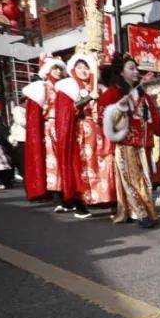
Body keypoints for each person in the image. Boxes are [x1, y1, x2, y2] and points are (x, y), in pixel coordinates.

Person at [100, 56, 160, 228]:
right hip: (126, 143)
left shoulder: (144, 95)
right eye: (131, 68)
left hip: (144, 144)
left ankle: (141, 211)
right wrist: (118, 107)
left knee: (147, 180)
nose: (136, 72)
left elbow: (153, 119)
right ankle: (141, 214)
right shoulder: (113, 92)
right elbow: (101, 117)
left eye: (136, 69)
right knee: (132, 179)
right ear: (121, 71)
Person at [54, 51, 105, 218]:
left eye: (86, 67)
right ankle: (80, 202)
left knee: (99, 165)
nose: (83, 70)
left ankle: (100, 198)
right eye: (79, 67)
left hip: (96, 133)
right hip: (79, 134)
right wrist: (89, 98)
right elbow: (67, 111)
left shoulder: (95, 85)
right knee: (81, 167)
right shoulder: (67, 87)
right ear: (73, 69)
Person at [21, 56, 67, 204]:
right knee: (53, 162)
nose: (58, 71)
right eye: (54, 68)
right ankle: (57, 196)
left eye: (60, 68)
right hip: (51, 127)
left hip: (65, 126)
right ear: (47, 70)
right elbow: (35, 114)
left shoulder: (66, 86)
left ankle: (68, 194)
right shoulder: (42, 87)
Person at [8, 105, 26, 181]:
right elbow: (23, 122)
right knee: (21, 162)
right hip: (21, 141)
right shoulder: (18, 110)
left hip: (22, 141)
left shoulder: (14, 125)